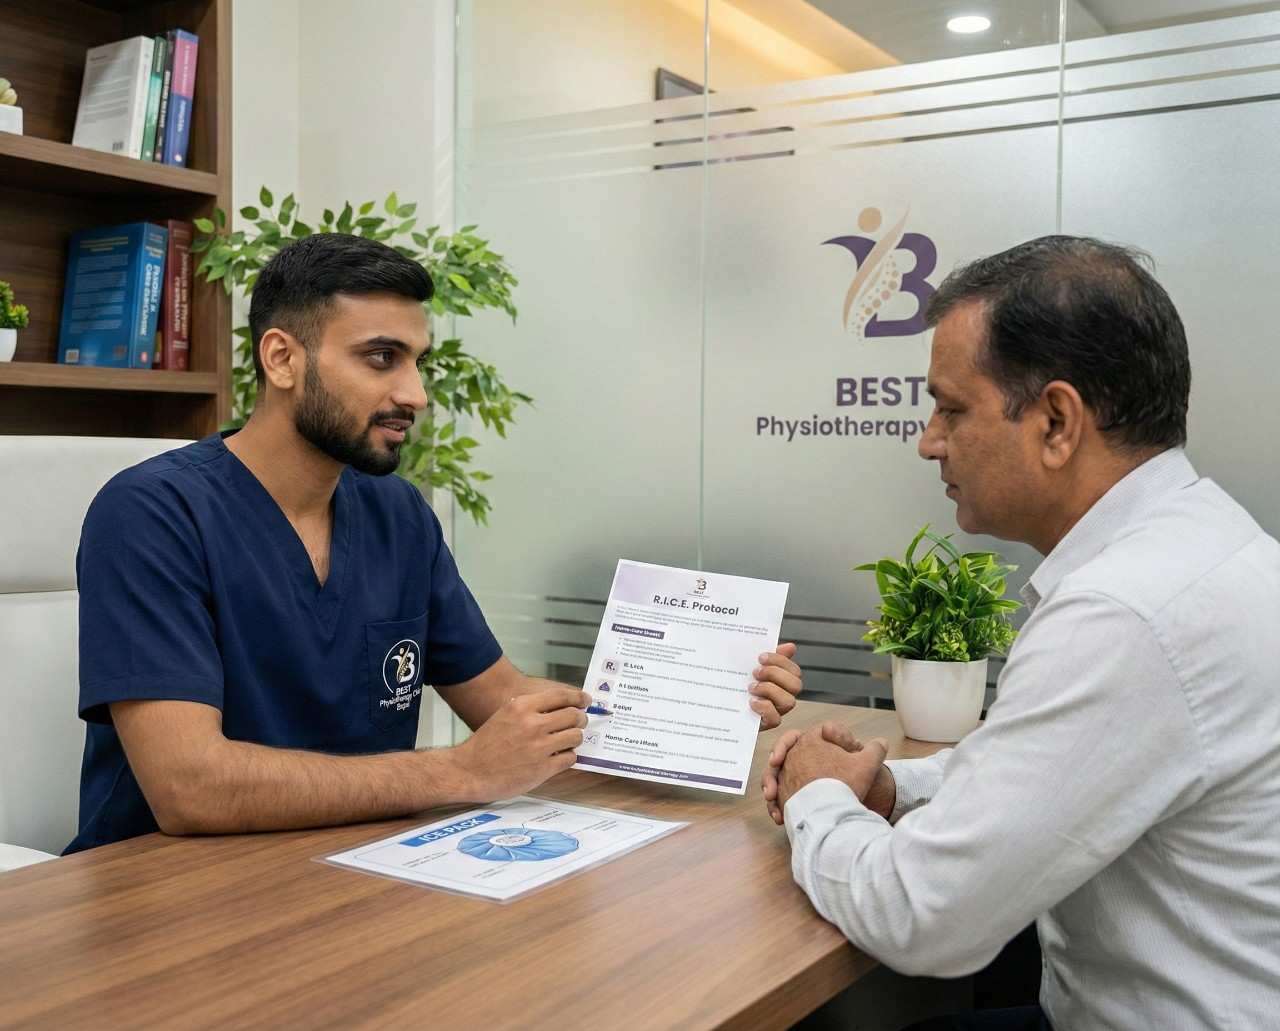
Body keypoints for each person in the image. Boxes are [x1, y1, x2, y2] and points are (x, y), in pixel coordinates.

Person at [66, 233, 804, 853]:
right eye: (382, 358)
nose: (416, 393)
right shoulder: (151, 515)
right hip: (165, 906)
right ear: (282, 358)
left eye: (418, 361)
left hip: (352, 868)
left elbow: (507, 704)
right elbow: (188, 786)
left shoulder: (397, 515)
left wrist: (707, 702)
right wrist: (459, 773)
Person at [762, 236, 1280, 1030]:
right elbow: (1058, 756)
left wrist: (817, 796)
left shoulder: (1126, 611)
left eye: (952, 408)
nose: (929, 439)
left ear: (1057, 422)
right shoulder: (1199, 544)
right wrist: (898, 789)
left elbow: (921, 914)